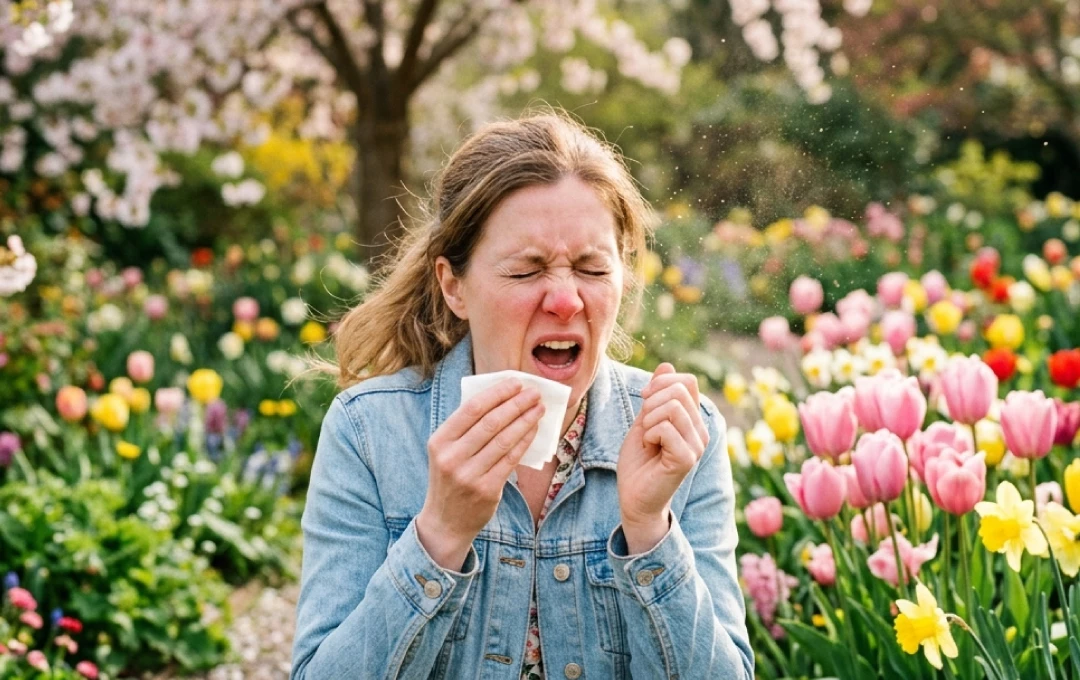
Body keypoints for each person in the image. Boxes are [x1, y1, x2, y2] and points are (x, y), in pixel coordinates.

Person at [290, 111, 753, 679]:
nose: (565, 300)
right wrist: (440, 533)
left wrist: (648, 528)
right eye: (527, 270)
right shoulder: (369, 432)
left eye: (590, 268)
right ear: (453, 285)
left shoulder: (681, 438)